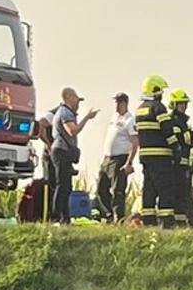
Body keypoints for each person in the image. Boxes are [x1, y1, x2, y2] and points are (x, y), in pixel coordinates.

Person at [134, 75, 176, 226]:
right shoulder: (158, 108)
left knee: (149, 189)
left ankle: (148, 220)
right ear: (155, 90)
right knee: (165, 188)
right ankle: (166, 221)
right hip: (161, 156)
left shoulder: (139, 110)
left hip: (145, 156)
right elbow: (167, 129)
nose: (162, 94)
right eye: (161, 91)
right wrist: (176, 147)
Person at [46, 86, 92, 223]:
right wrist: (87, 118)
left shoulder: (64, 112)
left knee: (66, 187)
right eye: (76, 99)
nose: (78, 103)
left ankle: (65, 218)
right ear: (68, 97)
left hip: (62, 151)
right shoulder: (65, 113)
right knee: (62, 185)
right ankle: (56, 217)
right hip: (61, 151)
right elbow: (72, 130)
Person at [165, 88, 193, 225]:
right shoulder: (172, 121)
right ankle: (181, 222)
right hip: (176, 164)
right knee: (179, 194)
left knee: (184, 195)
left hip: (185, 164)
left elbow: (187, 141)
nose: (184, 106)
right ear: (174, 104)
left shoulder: (183, 122)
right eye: (181, 103)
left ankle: (184, 222)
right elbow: (179, 140)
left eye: (185, 103)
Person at [95, 92, 135, 222]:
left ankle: (119, 217)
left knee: (118, 189)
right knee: (101, 188)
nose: (117, 105)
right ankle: (108, 214)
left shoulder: (130, 119)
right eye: (116, 102)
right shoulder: (114, 117)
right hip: (108, 158)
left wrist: (129, 162)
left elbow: (134, 143)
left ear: (125, 103)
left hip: (120, 158)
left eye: (119, 102)